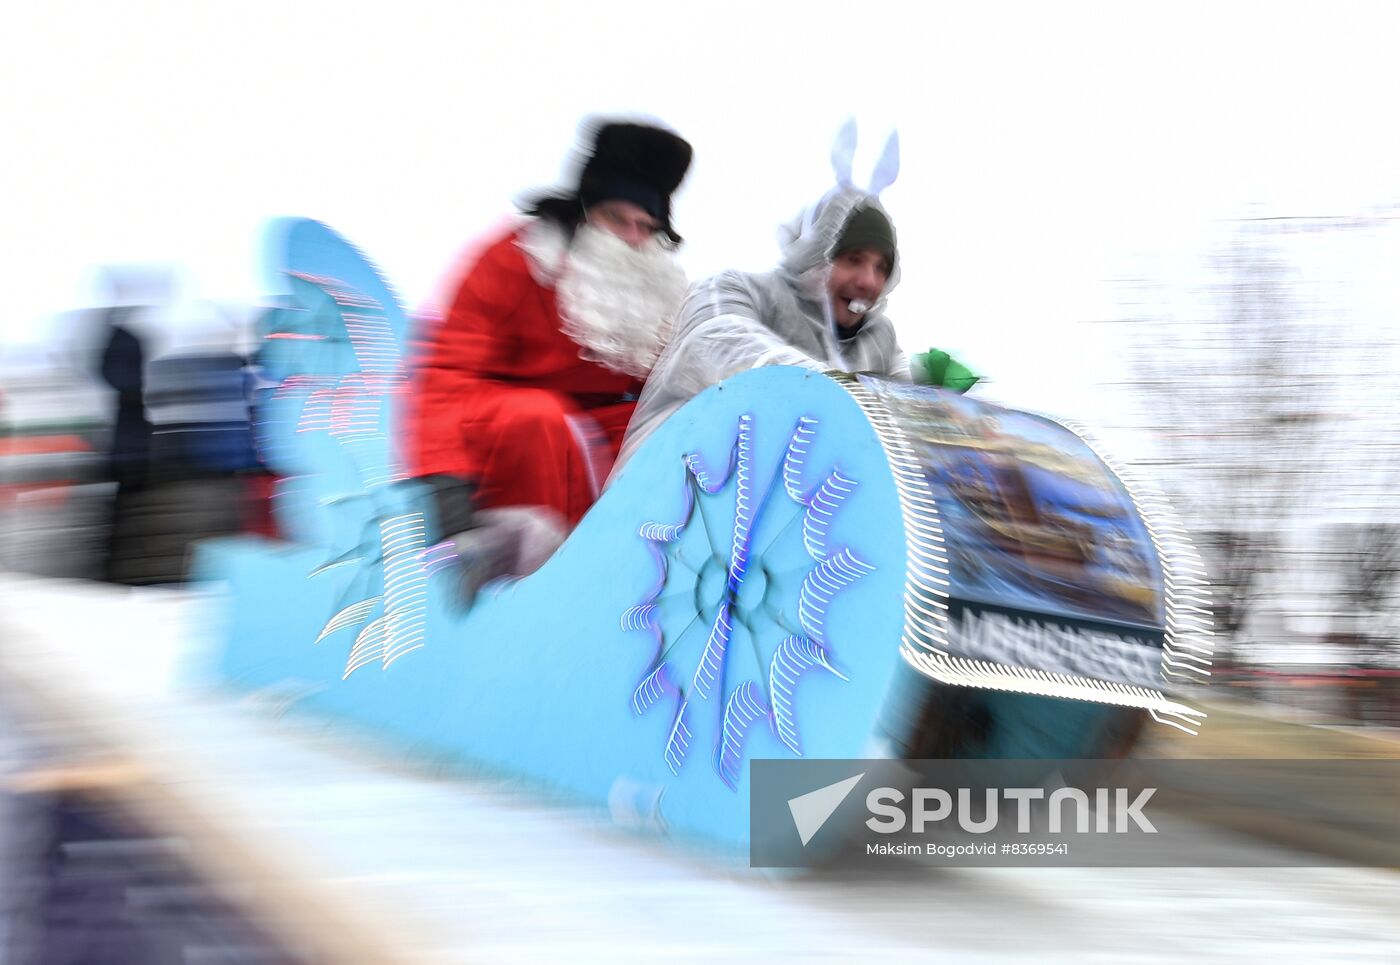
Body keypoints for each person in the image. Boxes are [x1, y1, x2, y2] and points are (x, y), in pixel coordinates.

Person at [407, 118, 692, 574]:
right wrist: (445, 486)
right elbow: (447, 373)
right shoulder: (512, 260)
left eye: (646, 225)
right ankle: (531, 570)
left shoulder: (650, 285)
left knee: (670, 426)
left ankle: (657, 563)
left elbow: (666, 387)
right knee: (542, 420)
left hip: (591, 433)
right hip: (508, 435)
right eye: (618, 219)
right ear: (585, 212)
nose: (633, 238)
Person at [619, 131, 976, 468]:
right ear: (815, 257)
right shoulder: (732, 289)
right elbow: (716, 342)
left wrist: (934, 403)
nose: (869, 281)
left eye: (881, 267)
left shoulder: (877, 340)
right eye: (853, 259)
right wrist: (837, 386)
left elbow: (902, 419)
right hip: (672, 483)